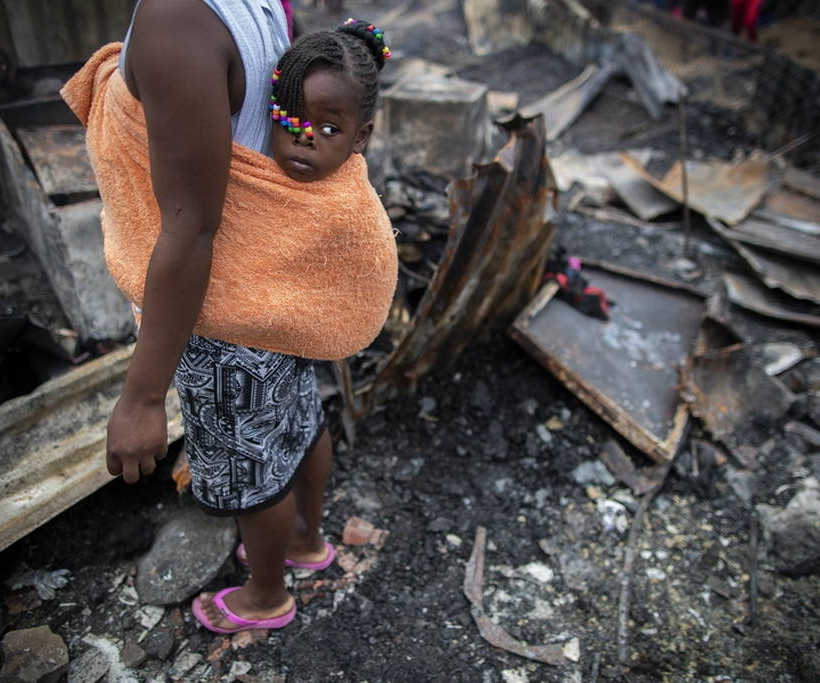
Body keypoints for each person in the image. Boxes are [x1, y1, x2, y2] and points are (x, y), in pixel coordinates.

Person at [60, 2, 396, 635]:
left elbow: (191, 228)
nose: (304, 134)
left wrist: (142, 395)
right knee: (297, 419)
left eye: (326, 128)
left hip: (224, 316)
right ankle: (305, 541)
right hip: (283, 286)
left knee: (252, 476)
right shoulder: (260, 5)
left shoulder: (180, 20)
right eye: (293, 120)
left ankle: (265, 596)